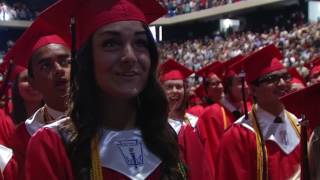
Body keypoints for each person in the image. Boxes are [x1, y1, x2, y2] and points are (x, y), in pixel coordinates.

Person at [25, 0, 185, 179]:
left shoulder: (179, 137)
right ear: (86, 59)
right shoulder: (53, 145)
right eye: (111, 43)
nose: (130, 57)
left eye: (140, 43)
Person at [215, 44, 300, 180]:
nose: (283, 83)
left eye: (285, 76)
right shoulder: (238, 136)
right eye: (272, 79)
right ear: (253, 89)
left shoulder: (299, 125)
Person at [4, 15, 71, 180]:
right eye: (45, 65)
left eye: (65, 61)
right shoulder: (25, 135)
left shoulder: (109, 121)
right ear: (32, 81)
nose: (58, 70)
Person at [159, 59, 213, 180]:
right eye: (169, 87)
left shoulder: (195, 123)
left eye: (179, 87)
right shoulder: (153, 124)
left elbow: (206, 164)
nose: (174, 91)